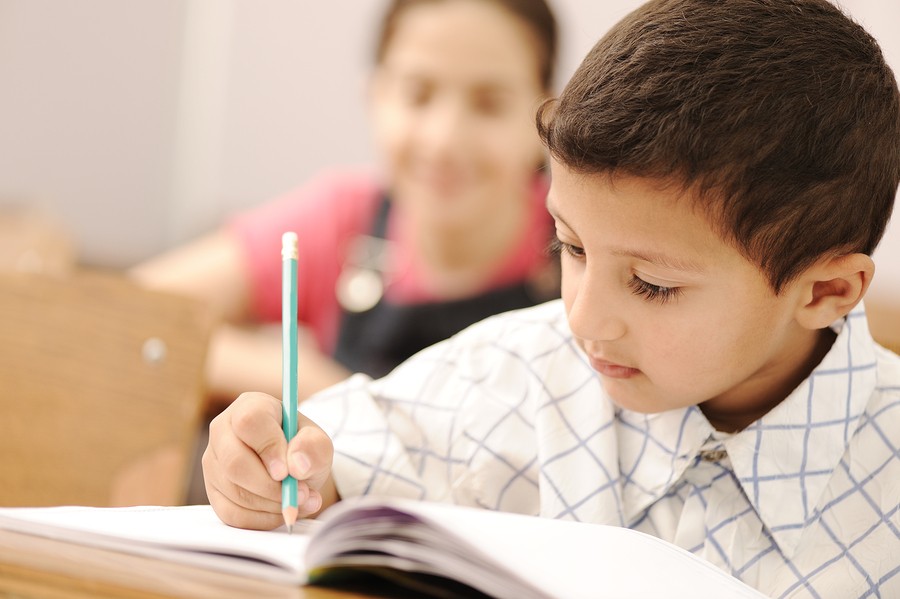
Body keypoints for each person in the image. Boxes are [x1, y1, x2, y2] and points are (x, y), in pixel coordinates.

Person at [201, 0, 900, 596]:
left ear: (827, 290)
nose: (584, 318)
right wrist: (266, 465)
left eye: (652, 284)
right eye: (569, 247)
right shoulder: (518, 374)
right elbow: (334, 455)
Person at [131, 0, 560, 404]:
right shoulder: (343, 222)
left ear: (546, 112)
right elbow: (126, 315)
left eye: (489, 105)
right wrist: (305, 380)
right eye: (418, 94)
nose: (444, 139)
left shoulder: (581, 241)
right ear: (374, 96)